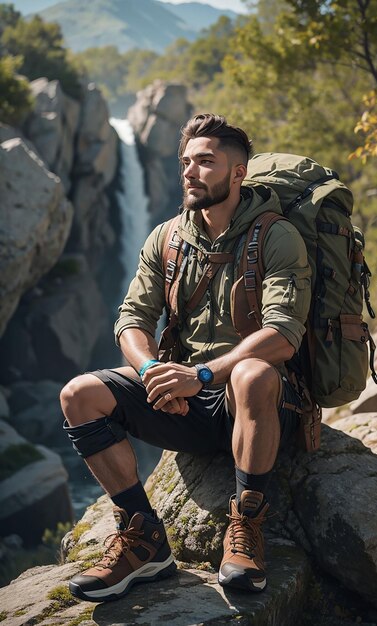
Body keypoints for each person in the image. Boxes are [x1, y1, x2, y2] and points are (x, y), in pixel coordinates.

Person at [61, 113, 311, 602]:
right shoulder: (168, 237)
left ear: (238, 173)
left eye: (205, 162)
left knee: (254, 373)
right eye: (186, 162)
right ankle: (145, 538)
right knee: (79, 395)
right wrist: (154, 373)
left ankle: (246, 525)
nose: (190, 172)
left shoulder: (277, 236)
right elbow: (131, 318)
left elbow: (283, 334)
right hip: (184, 399)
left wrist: (201, 375)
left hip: (253, 405)